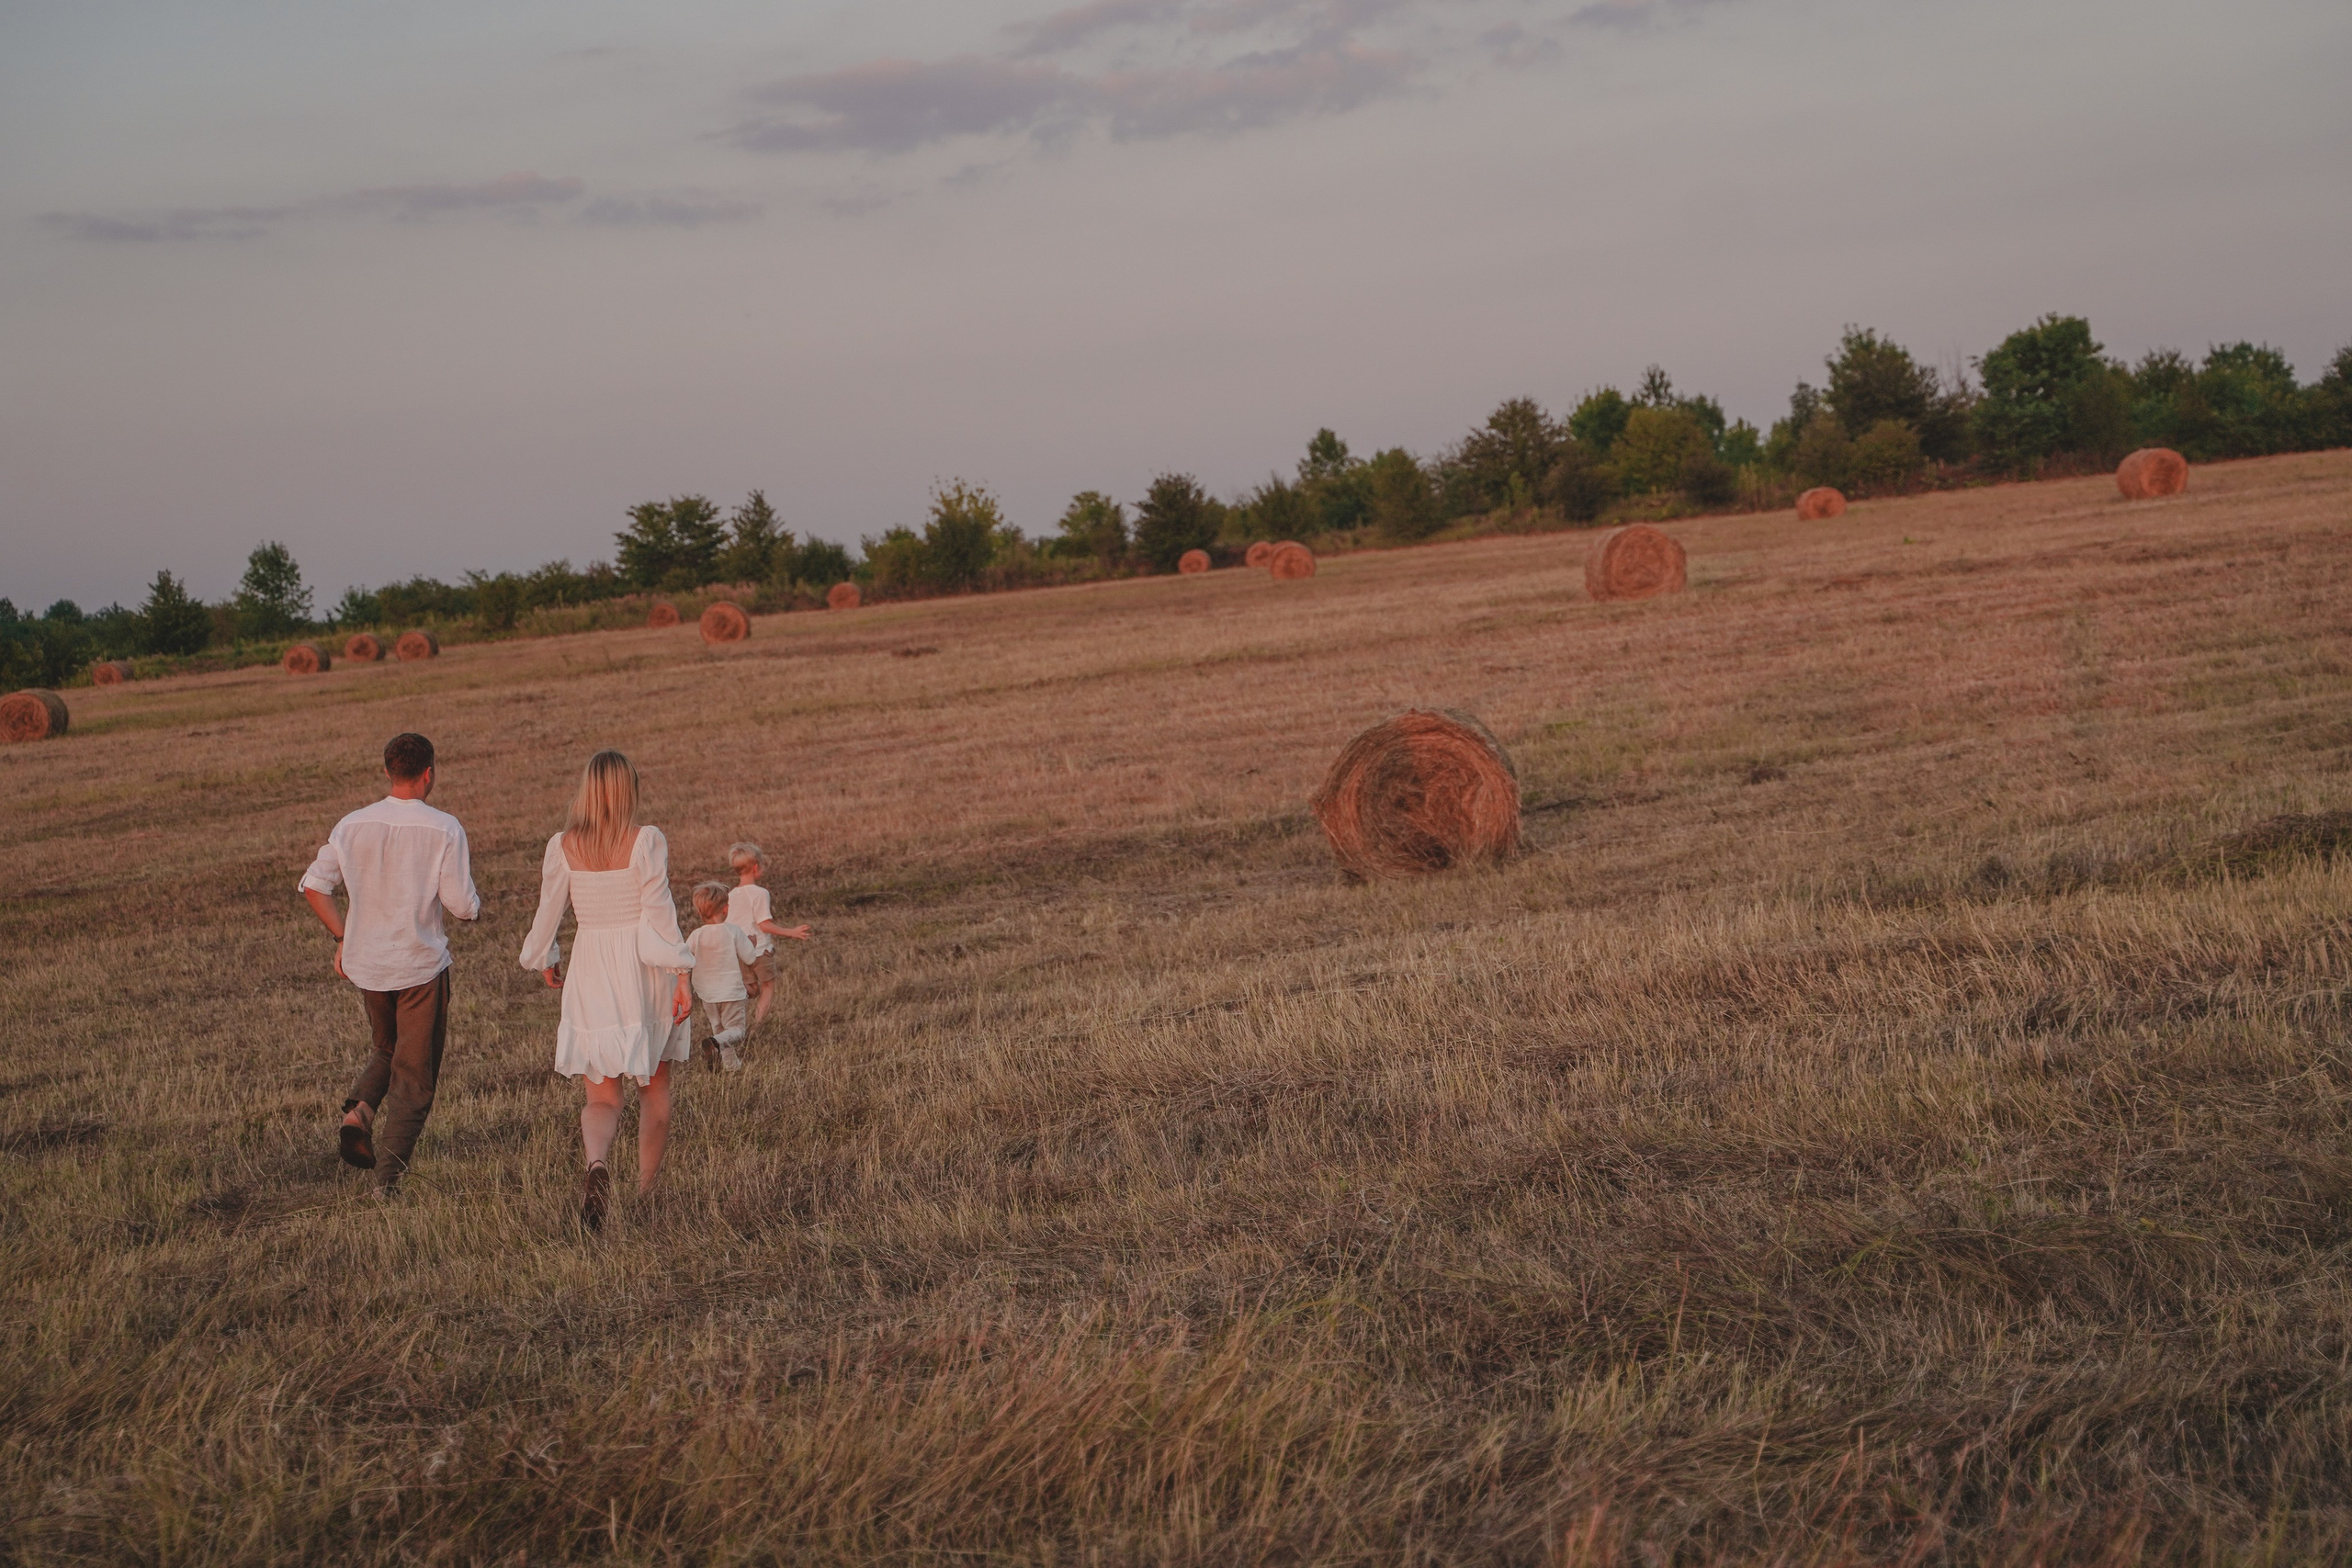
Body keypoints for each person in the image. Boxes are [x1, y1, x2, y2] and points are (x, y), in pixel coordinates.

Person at [517, 750, 695, 1231]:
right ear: (628, 790)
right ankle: (646, 1192)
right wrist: (682, 972)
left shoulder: (563, 845)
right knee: (654, 1089)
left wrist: (546, 956)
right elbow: (660, 913)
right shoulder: (645, 840)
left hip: (591, 968)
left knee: (602, 1098)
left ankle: (596, 1164)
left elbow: (547, 911)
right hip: (644, 971)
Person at [299, 731, 481, 1197]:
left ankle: (358, 1113)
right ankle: (387, 1181)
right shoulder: (444, 828)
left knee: (386, 1047)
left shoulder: (351, 824)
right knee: (415, 1078)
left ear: (387, 772)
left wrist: (344, 937)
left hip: (368, 965)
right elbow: (462, 906)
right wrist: (474, 908)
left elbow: (315, 887)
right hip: (419, 968)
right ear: (429, 774)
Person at [725, 840, 812, 1031]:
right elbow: (764, 925)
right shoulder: (760, 893)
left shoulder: (730, 896)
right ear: (756, 867)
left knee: (752, 989)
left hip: (740, 952)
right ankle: (758, 1025)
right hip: (760, 951)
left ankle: (734, 997)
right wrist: (791, 932)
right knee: (767, 987)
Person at [684, 883, 758, 1074]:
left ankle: (731, 1066)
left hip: (707, 994)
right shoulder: (733, 931)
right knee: (736, 1031)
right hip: (731, 991)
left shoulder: (696, 935)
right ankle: (715, 1043)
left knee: (719, 1029)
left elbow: (684, 959)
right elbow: (750, 958)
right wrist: (752, 944)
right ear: (725, 909)